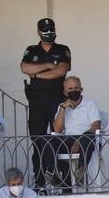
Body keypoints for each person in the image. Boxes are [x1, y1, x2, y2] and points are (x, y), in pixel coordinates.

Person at [20, 18, 71, 189]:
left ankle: (64, 183)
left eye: (52, 29)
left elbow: (61, 71)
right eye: (46, 30)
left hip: (57, 98)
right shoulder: (31, 50)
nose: (49, 33)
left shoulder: (62, 49)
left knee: (60, 139)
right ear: (39, 32)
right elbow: (25, 68)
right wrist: (49, 65)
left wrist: (37, 74)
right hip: (36, 101)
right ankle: (39, 182)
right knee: (38, 141)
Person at [46, 76, 101, 191]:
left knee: (88, 136)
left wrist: (80, 141)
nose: (74, 91)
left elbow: (96, 126)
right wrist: (62, 109)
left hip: (86, 139)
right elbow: (57, 130)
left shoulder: (90, 104)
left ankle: (80, 170)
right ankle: (53, 172)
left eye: (76, 88)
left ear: (81, 89)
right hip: (68, 140)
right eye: (70, 89)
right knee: (47, 139)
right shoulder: (62, 106)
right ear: (65, 92)